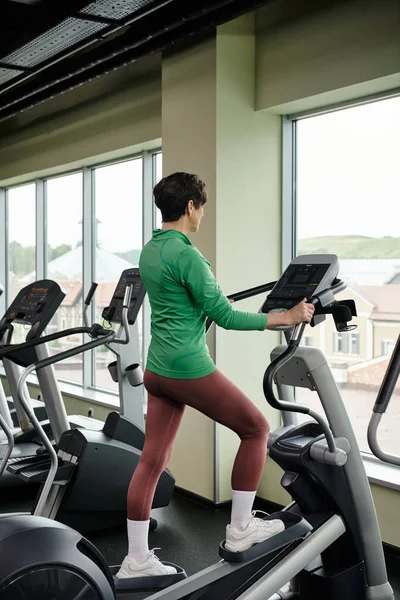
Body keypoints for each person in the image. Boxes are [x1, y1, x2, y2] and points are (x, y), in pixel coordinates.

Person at [116, 172, 315, 579]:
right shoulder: (188, 255)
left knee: (152, 459)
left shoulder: (151, 251)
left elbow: (181, 307)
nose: (203, 213)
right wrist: (286, 317)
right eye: (202, 206)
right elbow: (224, 316)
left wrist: (203, 307)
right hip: (187, 367)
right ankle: (241, 528)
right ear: (191, 206)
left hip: (158, 368)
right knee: (257, 428)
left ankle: (136, 560)